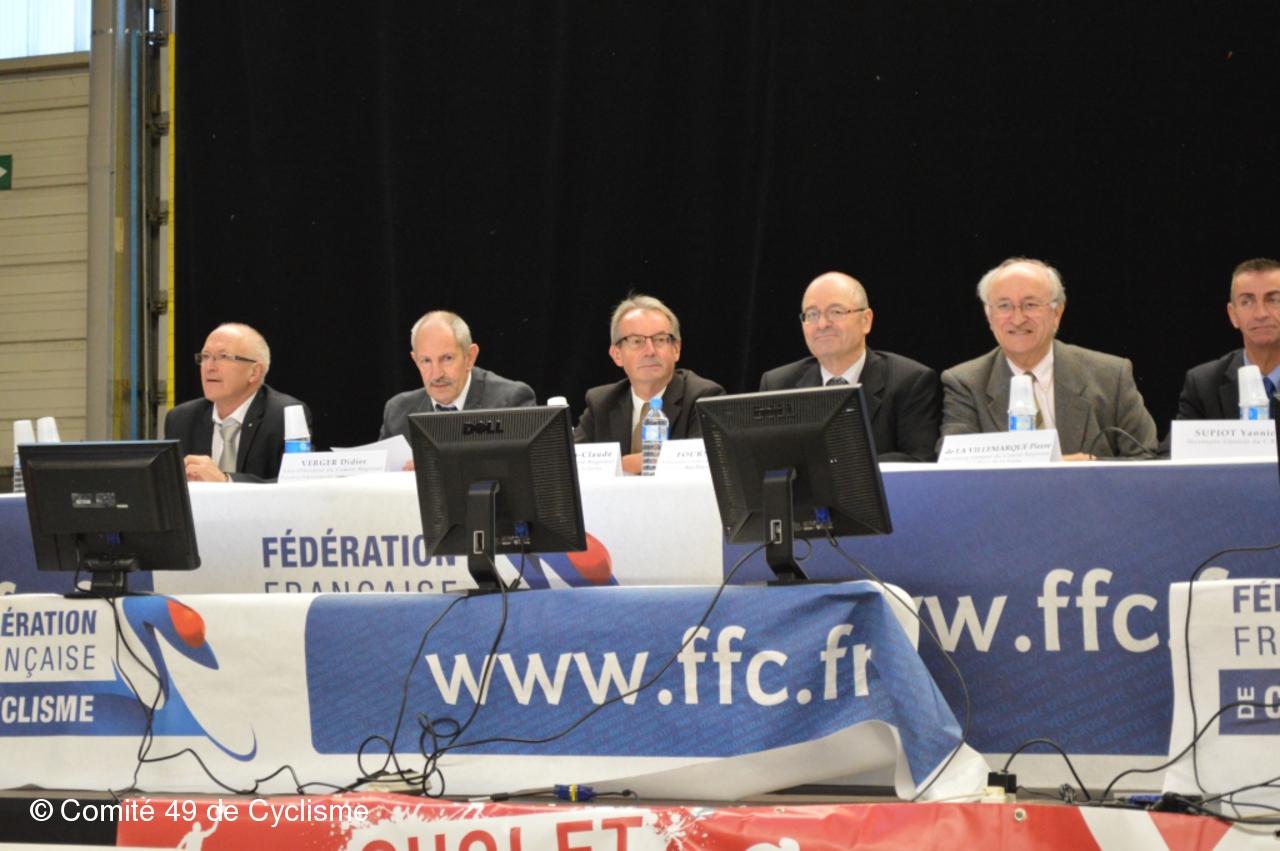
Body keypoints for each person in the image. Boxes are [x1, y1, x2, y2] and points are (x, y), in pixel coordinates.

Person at [940, 257, 1156, 459]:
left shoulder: (1110, 375)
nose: (1018, 319)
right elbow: (956, 467)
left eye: (1031, 305)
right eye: (1004, 306)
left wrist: (1091, 470)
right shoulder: (966, 383)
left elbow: (1145, 459)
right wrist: (1058, 466)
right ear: (989, 316)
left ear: (1057, 313)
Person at [759, 272, 941, 462]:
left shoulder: (909, 381)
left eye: (836, 312)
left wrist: (839, 467)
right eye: (812, 314)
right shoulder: (778, 385)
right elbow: (766, 461)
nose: (822, 324)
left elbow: (919, 461)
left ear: (866, 321)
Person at [574, 294, 725, 474]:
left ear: (676, 349)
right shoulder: (601, 403)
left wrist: (616, 466)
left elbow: (697, 466)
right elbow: (573, 468)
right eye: (636, 341)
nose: (650, 351)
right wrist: (639, 462)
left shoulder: (703, 398)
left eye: (660, 339)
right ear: (617, 355)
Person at [164, 323, 312, 482]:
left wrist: (226, 481)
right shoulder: (181, 419)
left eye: (223, 357)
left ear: (254, 372)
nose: (209, 367)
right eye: (205, 356)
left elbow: (297, 484)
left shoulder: (285, 415)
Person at [379, 311, 536, 443]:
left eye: (447, 358)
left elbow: (527, 467)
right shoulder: (397, 412)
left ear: (470, 357)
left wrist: (431, 467)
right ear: (415, 361)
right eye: (426, 361)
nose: (436, 374)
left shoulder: (510, 403)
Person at [1176, 258, 1280, 420]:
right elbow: (1180, 438)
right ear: (1233, 315)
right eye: (1247, 302)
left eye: (1274, 300)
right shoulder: (1203, 384)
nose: (1261, 314)